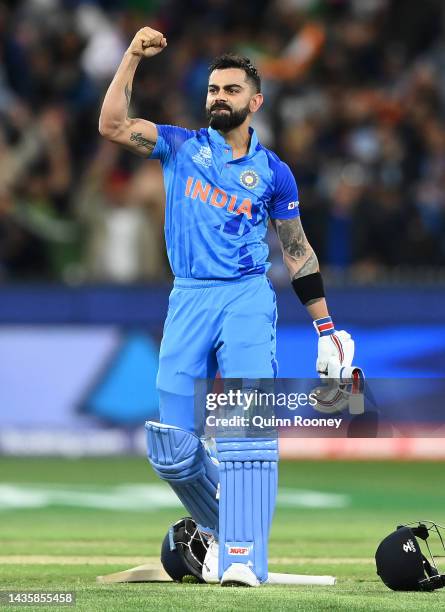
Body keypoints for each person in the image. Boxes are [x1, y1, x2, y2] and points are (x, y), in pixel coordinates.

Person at [99, 27, 354, 587]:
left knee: (244, 432)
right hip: (187, 296)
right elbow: (112, 125)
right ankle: (235, 538)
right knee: (172, 449)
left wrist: (326, 327)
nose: (218, 97)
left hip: (245, 297)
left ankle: (241, 559)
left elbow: (296, 250)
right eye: (213, 89)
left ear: (254, 102)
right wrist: (132, 58)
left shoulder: (273, 172)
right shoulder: (178, 145)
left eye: (230, 90)